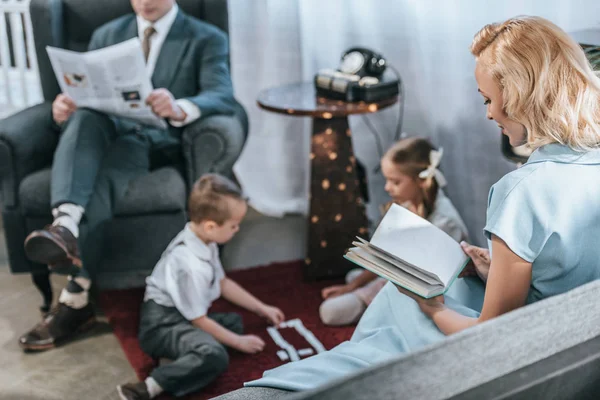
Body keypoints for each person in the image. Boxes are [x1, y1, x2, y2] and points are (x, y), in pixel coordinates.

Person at [244, 15, 600, 391]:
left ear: (520, 95)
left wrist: (434, 309)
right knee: (441, 288)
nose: (489, 113)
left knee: (402, 302)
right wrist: (497, 271)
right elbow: (569, 269)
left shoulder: (522, 191)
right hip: (568, 344)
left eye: (489, 100)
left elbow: (490, 339)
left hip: (519, 358)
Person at [19, 0, 243, 350]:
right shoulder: (107, 34)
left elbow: (223, 95)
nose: (145, 1)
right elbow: (85, 92)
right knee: (83, 118)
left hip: (157, 139)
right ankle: (67, 221)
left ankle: (75, 292)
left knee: (101, 176)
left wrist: (180, 107)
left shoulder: (205, 37)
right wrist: (62, 108)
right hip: (105, 131)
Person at [117, 174, 285, 399]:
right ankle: (151, 385)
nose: (237, 230)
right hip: (161, 326)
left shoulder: (203, 238)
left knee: (234, 322)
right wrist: (239, 343)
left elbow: (223, 283)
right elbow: (199, 320)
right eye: (234, 225)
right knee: (215, 355)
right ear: (210, 226)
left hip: (184, 316)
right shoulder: (190, 265)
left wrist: (261, 308)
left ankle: (186, 353)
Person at [319, 137, 468, 326]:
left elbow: (421, 281)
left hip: (426, 288)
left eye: (395, 182)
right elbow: (386, 255)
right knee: (355, 277)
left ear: (422, 181)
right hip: (401, 272)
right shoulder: (407, 203)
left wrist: (362, 290)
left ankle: (373, 304)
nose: (387, 187)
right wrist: (352, 286)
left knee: (330, 312)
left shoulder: (445, 222)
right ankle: (366, 293)